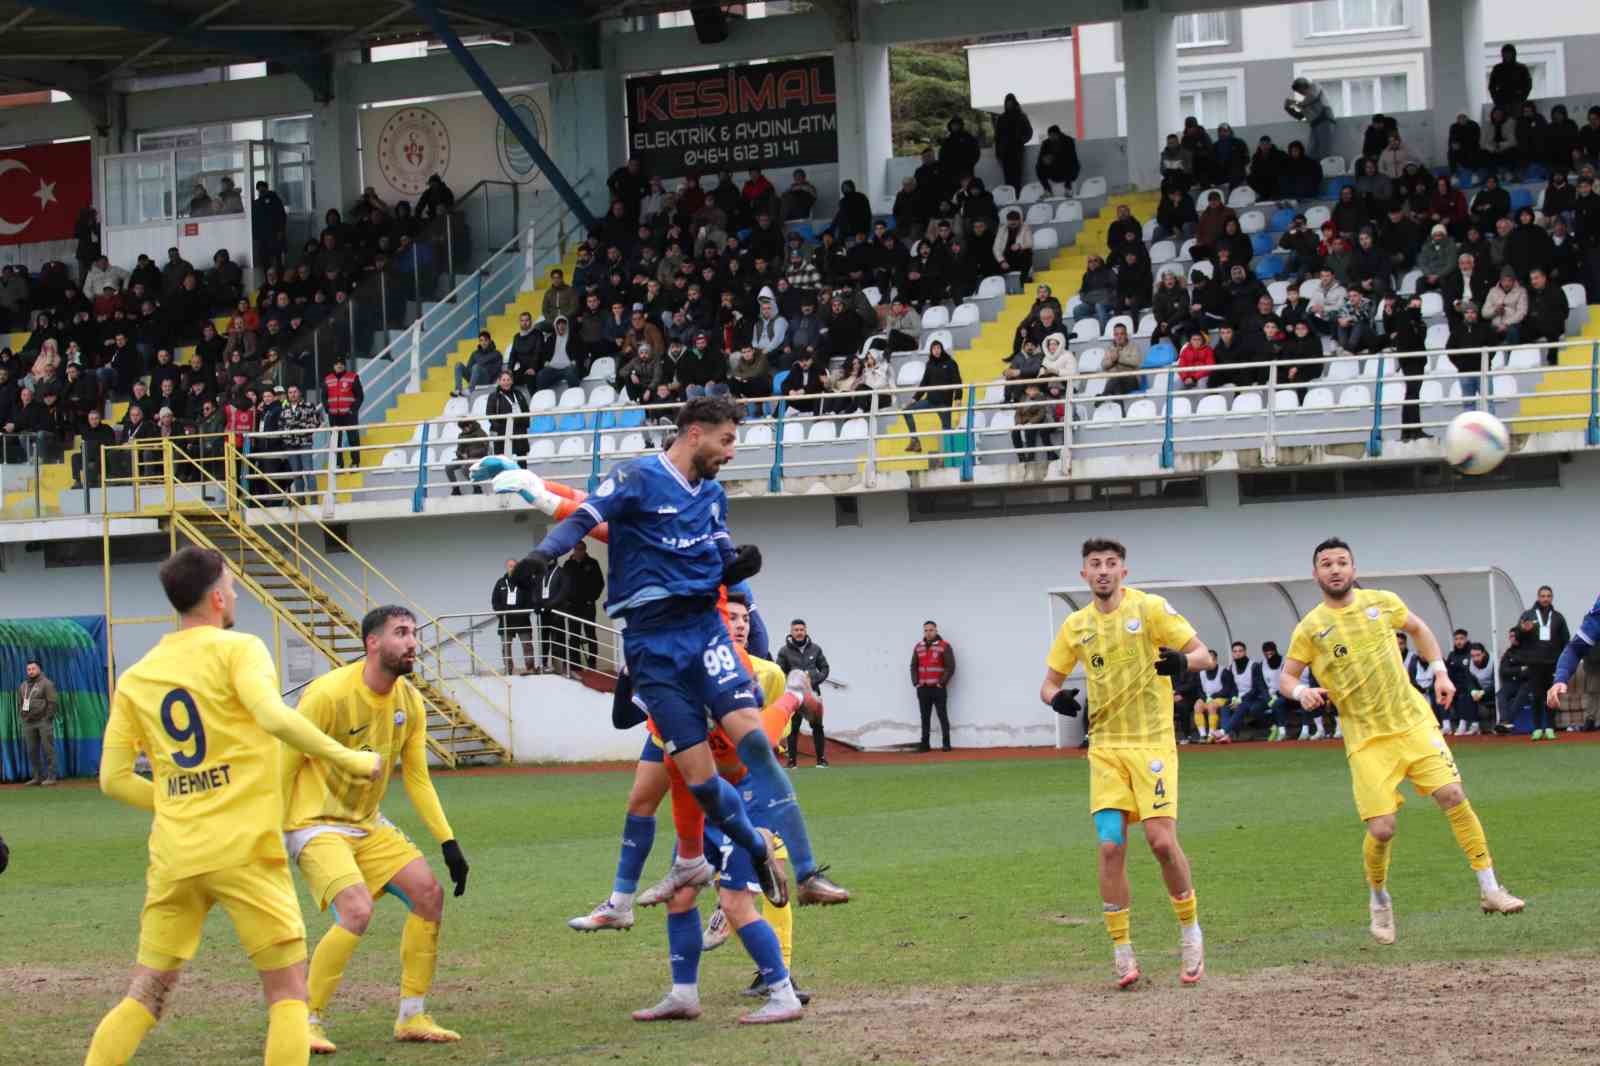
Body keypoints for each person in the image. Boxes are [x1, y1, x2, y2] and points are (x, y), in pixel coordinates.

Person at [507, 397, 846, 907]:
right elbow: (584, 517)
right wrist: (541, 555)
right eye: (726, 440)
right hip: (651, 647)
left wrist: (738, 566)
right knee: (700, 781)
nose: (732, 453)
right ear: (693, 433)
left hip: (704, 634)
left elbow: (719, 557)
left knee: (753, 742)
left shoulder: (712, 496)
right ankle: (755, 848)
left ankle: (806, 873)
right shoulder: (638, 478)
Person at [85, 547, 381, 1066]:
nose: (238, 594)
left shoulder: (136, 676)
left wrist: (180, 803)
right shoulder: (240, 649)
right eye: (234, 586)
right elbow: (272, 715)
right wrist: (348, 757)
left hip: (176, 856)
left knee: (145, 996)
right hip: (246, 852)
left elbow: (111, 779)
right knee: (289, 993)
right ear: (218, 597)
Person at [1279, 537, 1525, 948]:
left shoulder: (1383, 602)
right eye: (1326, 563)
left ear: (1354, 569)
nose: (1335, 569)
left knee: (1452, 794)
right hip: (1367, 740)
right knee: (1382, 829)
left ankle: (1490, 888)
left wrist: (1440, 672)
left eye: (1342, 562)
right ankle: (1379, 898)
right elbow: (1286, 676)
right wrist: (1299, 692)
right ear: (1315, 574)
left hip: (1413, 724)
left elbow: (1419, 629)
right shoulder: (1310, 627)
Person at [283, 606, 469, 1053]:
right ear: (372, 643)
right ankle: (305, 1020)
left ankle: (413, 1016)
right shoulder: (327, 695)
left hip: (366, 824)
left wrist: (448, 842)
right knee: (357, 910)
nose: (412, 643)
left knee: (429, 894)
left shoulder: (409, 702)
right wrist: (266, 833)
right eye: (401, 633)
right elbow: (283, 765)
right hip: (312, 823)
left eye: (415, 634)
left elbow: (418, 778)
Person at [629, 592, 810, 1025]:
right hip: (704, 802)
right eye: (730, 616)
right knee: (682, 895)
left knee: (733, 903)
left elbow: (763, 738)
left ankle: (783, 993)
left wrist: (794, 699)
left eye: (744, 618)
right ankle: (683, 995)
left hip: (745, 799)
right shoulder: (680, 671)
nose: (739, 624)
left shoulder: (759, 672)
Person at [1037, 539, 1209, 988]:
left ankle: (1190, 932)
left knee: (1161, 843)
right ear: (1084, 575)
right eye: (1095, 564)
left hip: (1152, 745)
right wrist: (1057, 698)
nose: (1103, 571)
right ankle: (1122, 951)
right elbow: (1048, 683)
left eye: (1111, 564)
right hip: (1106, 750)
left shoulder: (1150, 609)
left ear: (1124, 572)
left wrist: (1181, 662)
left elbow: (1204, 654)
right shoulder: (1077, 626)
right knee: (1111, 846)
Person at [1517, 586, 1569, 741]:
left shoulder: (1558, 617)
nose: (1545, 599)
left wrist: (1563, 660)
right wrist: (1524, 630)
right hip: (1534, 663)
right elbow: (1518, 637)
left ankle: (1550, 728)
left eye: (1548, 596)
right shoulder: (1528, 615)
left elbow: (1566, 639)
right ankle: (1537, 728)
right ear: (1538, 597)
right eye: (1543, 596)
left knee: (1551, 697)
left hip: (1553, 663)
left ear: (1552, 598)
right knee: (1537, 696)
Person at [775, 619, 830, 768]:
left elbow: (824, 668)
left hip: (812, 694)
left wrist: (813, 680)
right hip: (794, 695)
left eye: (801, 630)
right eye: (796, 630)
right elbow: (779, 672)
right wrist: (793, 681)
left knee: (817, 726)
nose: (799, 632)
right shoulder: (784, 651)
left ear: (805, 631)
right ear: (791, 632)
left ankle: (821, 760)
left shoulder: (816, 649)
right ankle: (792, 761)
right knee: (793, 728)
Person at [1546, 592, 1600, 729]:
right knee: (1594, 691)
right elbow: (1575, 649)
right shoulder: (1597, 618)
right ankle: (1590, 720)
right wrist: (1560, 678)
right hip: (1595, 664)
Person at [554, 541, 606, 671]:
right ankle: (575, 664)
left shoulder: (592, 563)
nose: (579, 552)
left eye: (581, 549)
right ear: (573, 550)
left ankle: (592, 663)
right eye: (577, 549)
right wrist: (566, 601)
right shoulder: (568, 564)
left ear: (585, 549)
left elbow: (599, 583)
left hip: (588, 605)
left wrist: (591, 599)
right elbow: (563, 585)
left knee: (590, 634)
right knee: (574, 635)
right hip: (572, 606)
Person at [910, 621, 956, 753]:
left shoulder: (944, 646)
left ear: (936, 630)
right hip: (923, 688)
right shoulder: (918, 647)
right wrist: (916, 682)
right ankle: (925, 744)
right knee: (924, 717)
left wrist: (941, 683)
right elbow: (913, 666)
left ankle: (946, 744)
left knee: (942, 716)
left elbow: (950, 667)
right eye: (925, 630)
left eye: (931, 630)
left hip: (938, 688)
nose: (928, 633)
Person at [17, 658, 59, 786]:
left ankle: (51, 777)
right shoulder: (23, 686)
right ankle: (37, 777)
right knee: (32, 750)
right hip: (28, 723)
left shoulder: (46, 684)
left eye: (33, 668)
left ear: (39, 669)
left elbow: (52, 703)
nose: (30, 671)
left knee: (48, 749)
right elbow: (20, 703)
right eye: (28, 669)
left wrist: (47, 718)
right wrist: (23, 716)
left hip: (43, 722)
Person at [492, 559, 535, 675]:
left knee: (527, 645)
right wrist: (501, 614)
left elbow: (531, 600)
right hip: (506, 621)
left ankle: (530, 668)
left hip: (522, 620)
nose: (513, 568)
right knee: (506, 647)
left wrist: (524, 613)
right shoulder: (500, 583)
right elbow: (495, 601)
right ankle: (508, 669)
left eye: (515, 566)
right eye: (510, 566)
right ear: (507, 568)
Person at [323, 356, 363, 470]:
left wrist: (352, 410)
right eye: (336, 364)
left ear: (344, 365)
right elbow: (324, 397)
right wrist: (328, 409)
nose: (339, 365)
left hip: (349, 415)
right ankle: (339, 464)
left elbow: (360, 396)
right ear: (333, 366)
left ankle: (355, 462)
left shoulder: (353, 377)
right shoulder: (327, 379)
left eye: (341, 363)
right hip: (334, 415)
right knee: (336, 441)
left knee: (353, 438)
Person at [1284, 78, 1336, 161]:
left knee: (1325, 152)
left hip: (1325, 122)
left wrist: (1295, 103)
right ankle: (1314, 170)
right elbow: (1300, 117)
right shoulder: (1305, 102)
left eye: (1299, 90)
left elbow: (1312, 97)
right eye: (1298, 92)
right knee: (1311, 152)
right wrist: (1288, 109)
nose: (1300, 94)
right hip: (1314, 125)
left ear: (1303, 85)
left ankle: (1326, 171)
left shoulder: (1314, 86)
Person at [1191, 650, 1236, 744]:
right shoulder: (1200, 672)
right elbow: (1198, 688)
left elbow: (1227, 689)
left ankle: (1211, 734)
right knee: (1197, 705)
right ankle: (1203, 735)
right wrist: (1203, 698)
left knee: (1211, 706)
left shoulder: (1224, 671)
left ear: (1215, 660)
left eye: (1211, 659)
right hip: (1207, 698)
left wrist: (1213, 696)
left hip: (1222, 698)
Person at [993, 93, 1034, 191]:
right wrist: (998, 152)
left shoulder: (1021, 116)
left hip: (1017, 151)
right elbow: (997, 137)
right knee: (1008, 178)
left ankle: (1018, 196)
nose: (1009, 105)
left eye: (1011, 103)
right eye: (1007, 103)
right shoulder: (1001, 118)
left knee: (1017, 177)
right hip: (1005, 152)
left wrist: (1021, 140)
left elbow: (1029, 132)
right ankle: (1010, 196)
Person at [1488, 43, 1532, 114]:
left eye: (1509, 53)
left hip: (1517, 102)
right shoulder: (1497, 69)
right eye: (1505, 53)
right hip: (1502, 102)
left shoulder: (1522, 68)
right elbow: (1491, 86)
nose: (1507, 55)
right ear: (1502, 55)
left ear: (1514, 54)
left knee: (1518, 121)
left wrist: (1522, 98)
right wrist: (1496, 100)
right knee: (1503, 122)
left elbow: (1528, 85)